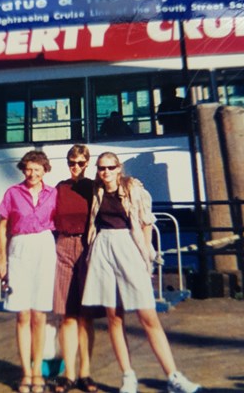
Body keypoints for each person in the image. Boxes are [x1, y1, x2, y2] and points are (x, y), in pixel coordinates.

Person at [82, 152, 202, 393]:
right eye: (101, 168)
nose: (105, 172)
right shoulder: (97, 191)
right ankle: (128, 377)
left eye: (110, 167)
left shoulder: (134, 189)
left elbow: (146, 224)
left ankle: (174, 376)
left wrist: (146, 256)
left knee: (148, 316)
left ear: (119, 168)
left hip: (129, 246)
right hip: (102, 249)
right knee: (114, 317)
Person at [0, 150, 57, 393]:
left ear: (45, 170)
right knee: (22, 315)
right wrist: (3, 259)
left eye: (37, 169)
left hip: (44, 247)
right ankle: (26, 373)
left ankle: (38, 371)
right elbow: (2, 228)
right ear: (23, 169)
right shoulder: (12, 193)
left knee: (40, 315)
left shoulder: (53, 194)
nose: (32, 173)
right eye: (28, 169)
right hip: (19, 247)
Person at [53, 144, 98, 393]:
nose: (76, 167)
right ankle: (68, 373)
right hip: (63, 245)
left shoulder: (94, 187)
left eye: (81, 162)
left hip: (87, 246)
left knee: (86, 316)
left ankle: (85, 373)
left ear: (87, 163)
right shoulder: (61, 187)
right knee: (67, 314)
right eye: (72, 162)